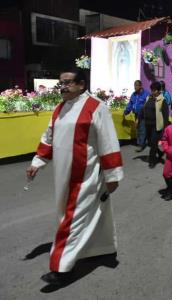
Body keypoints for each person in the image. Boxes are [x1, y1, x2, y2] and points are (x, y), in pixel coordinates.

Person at [26, 69, 124, 285]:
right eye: (61, 82)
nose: (63, 86)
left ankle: (62, 267)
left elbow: (108, 141)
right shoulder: (60, 108)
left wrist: (113, 175)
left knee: (72, 218)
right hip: (62, 175)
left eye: (68, 82)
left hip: (86, 175)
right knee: (96, 211)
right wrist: (37, 162)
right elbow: (49, 137)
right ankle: (103, 249)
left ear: (81, 84)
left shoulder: (96, 107)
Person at [139, 81, 169, 169]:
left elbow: (165, 116)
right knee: (151, 143)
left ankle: (152, 161)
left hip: (157, 126)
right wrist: (139, 118)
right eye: (152, 90)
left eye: (154, 90)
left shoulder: (162, 100)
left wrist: (165, 129)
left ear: (159, 91)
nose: (152, 92)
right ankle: (160, 153)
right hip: (147, 125)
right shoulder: (149, 98)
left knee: (153, 143)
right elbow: (143, 109)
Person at [124, 80, 150, 152]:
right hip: (136, 114)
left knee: (142, 129)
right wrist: (126, 111)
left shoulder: (146, 94)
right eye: (134, 85)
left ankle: (141, 145)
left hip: (143, 115)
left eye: (137, 85)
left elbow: (147, 105)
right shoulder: (134, 94)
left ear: (141, 86)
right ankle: (141, 142)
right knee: (138, 128)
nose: (135, 87)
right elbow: (130, 104)